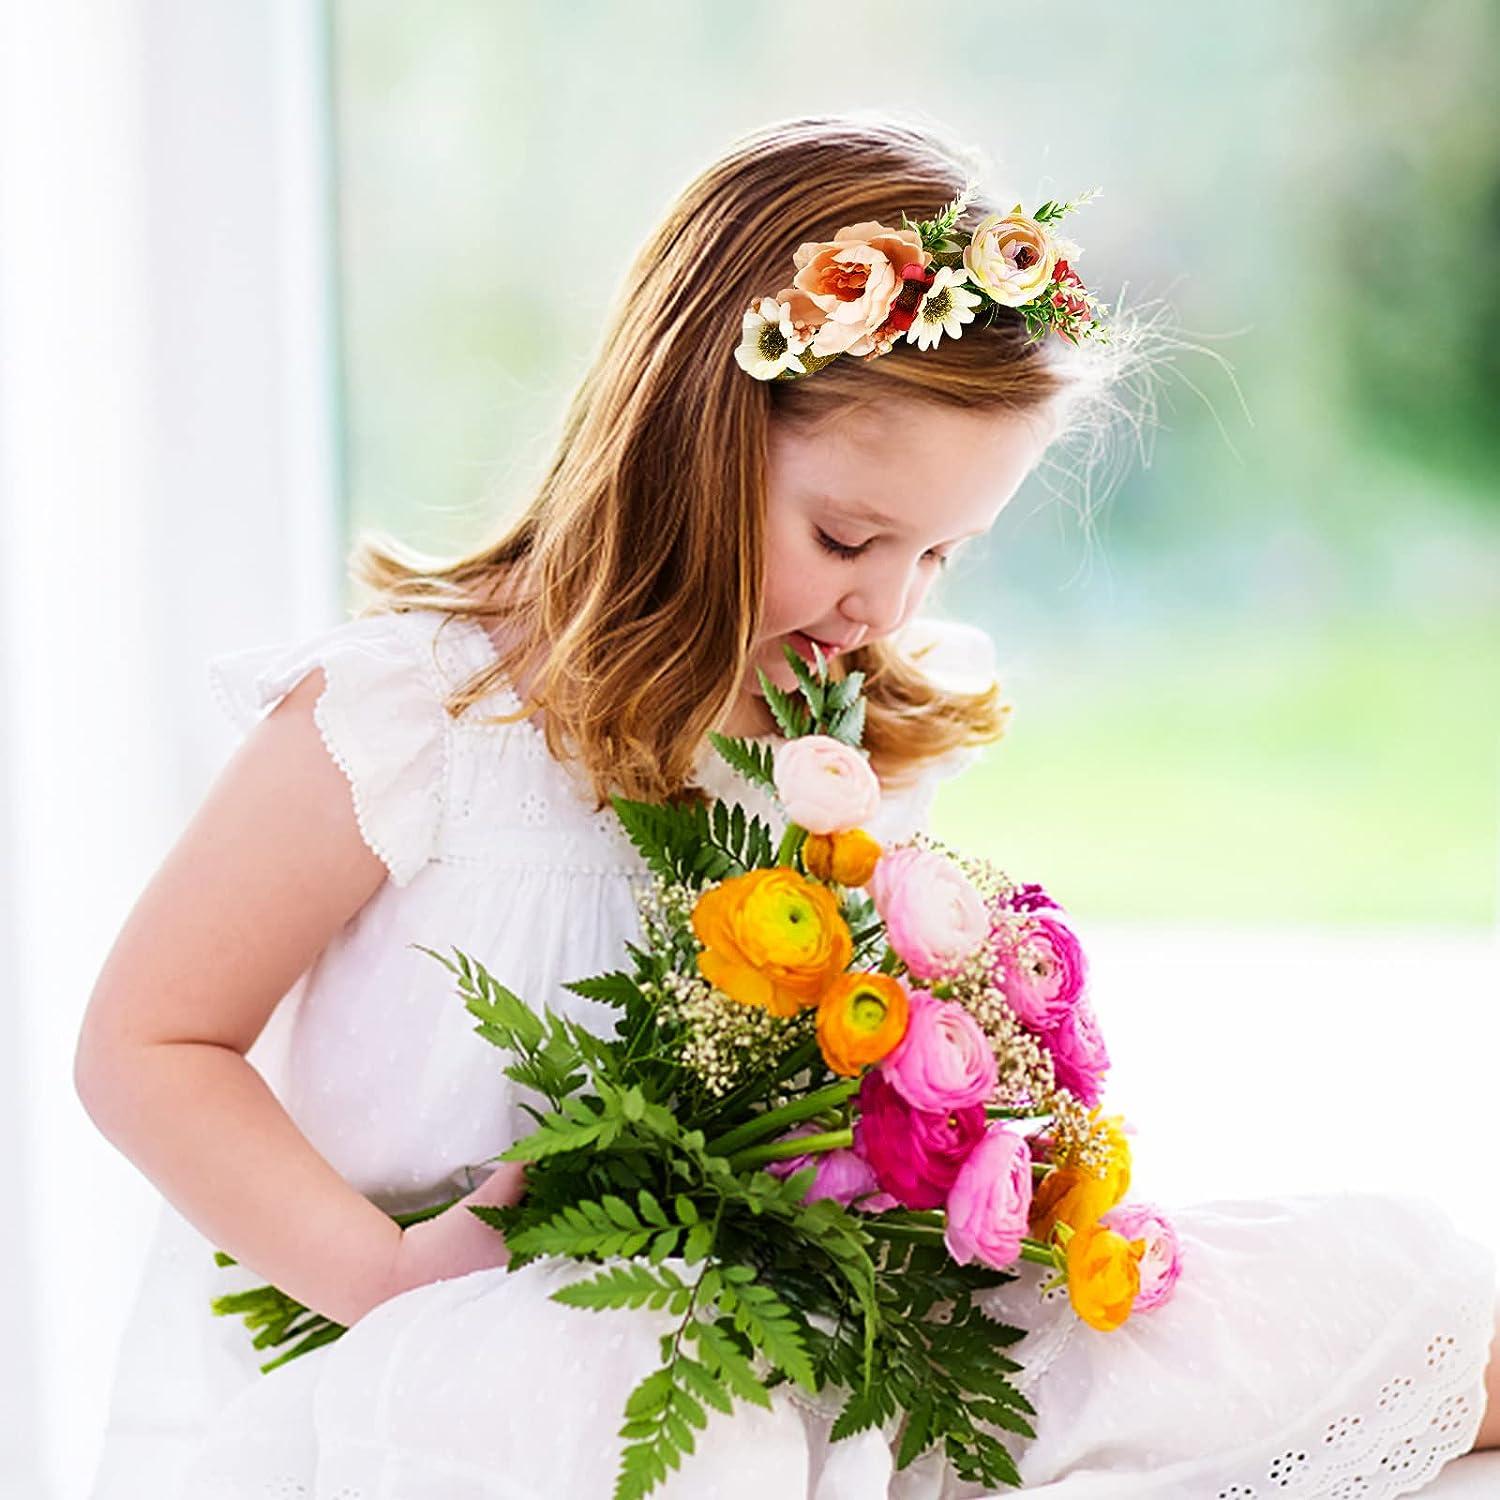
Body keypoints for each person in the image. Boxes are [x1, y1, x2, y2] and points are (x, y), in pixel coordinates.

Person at [75, 112, 1499, 1500]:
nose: (888, 603)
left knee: (1379, 1272)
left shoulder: (849, 740)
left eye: (944, 554)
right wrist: (382, 1276)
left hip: (786, 1333)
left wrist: (977, 1154)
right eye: (851, 537)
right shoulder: (417, 717)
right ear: (692, 432)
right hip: (463, 1350)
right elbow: (146, 1043)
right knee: (650, 1403)